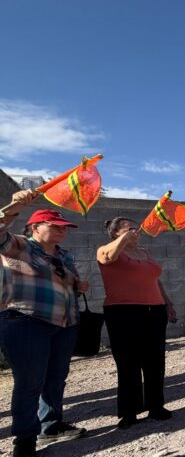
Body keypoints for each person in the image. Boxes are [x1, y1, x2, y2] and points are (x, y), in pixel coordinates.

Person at [0, 191, 88, 457]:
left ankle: (51, 426)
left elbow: (67, 283)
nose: (63, 230)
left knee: (55, 379)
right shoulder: (19, 245)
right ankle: (24, 440)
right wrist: (15, 206)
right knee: (29, 382)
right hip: (25, 320)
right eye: (56, 226)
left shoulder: (65, 256)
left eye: (65, 227)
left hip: (64, 324)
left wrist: (78, 285)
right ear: (35, 227)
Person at [96, 217, 177, 429]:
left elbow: (155, 281)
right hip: (123, 312)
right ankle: (129, 411)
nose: (136, 231)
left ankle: (156, 406)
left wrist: (167, 303)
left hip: (154, 310)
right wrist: (123, 240)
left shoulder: (145, 253)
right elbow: (108, 256)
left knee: (155, 361)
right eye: (129, 229)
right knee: (128, 362)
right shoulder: (106, 250)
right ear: (115, 233)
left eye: (136, 228)